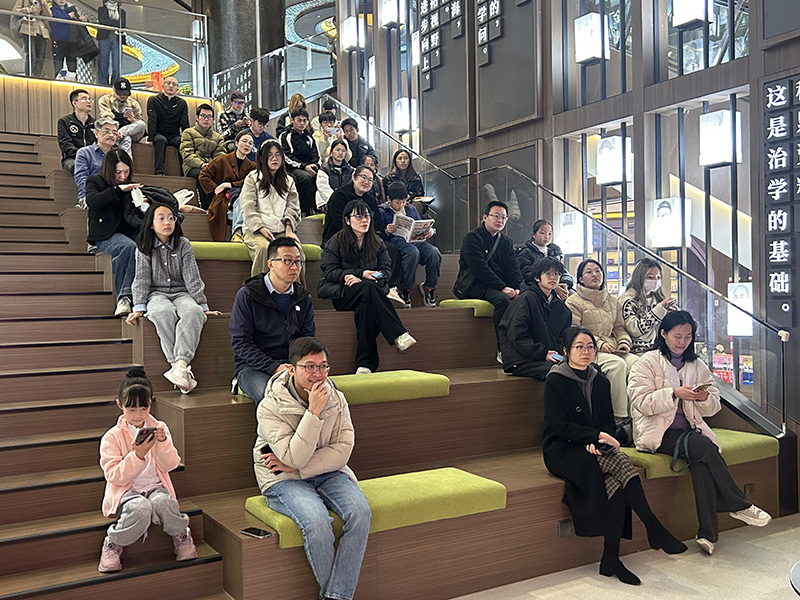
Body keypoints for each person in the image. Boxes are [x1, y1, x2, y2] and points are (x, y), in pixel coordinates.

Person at [542, 326, 686, 586]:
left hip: (595, 446)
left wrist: (600, 439)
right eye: (579, 347)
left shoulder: (600, 380)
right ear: (566, 351)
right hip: (563, 449)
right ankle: (652, 526)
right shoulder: (555, 380)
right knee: (620, 460)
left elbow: (608, 422)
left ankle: (611, 557)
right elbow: (559, 426)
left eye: (590, 347)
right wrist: (593, 437)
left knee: (616, 485)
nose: (586, 352)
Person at [628, 310, 772, 555]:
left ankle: (708, 534)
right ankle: (738, 504)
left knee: (701, 462)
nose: (682, 341)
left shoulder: (697, 364)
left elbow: (713, 406)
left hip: (690, 430)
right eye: (677, 336)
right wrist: (673, 393)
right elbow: (641, 402)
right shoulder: (646, 362)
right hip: (658, 433)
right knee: (704, 447)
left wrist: (703, 398)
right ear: (663, 334)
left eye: (688, 336)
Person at [253, 337, 371, 600]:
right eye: (309, 367)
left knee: (361, 513)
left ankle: (335, 596)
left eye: (323, 366)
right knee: (317, 523)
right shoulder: (270, 406)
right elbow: (293, 457)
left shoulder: (337, 398)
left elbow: (343, 449)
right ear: (291, 369)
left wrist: (296, 467)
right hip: (281, 478)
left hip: (325, 472)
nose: (318, 374)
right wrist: (313, 413)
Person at [98, 368, 197, 572]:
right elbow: (113, 476)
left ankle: (181, 535)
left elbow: (171, 465)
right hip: (126, 492)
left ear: (151, 403)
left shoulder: (160, 427)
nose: (138, 415)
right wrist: (138, 455)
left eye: (144, 408)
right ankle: (113, 543)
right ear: (120, 405)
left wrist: (163, 442)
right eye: (131, 409)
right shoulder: (111, 437)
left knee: (164, 502)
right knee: (140, 507)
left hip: (155, 488)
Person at [127, 203, 221, 393]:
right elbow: (141, 279)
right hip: (156, 293)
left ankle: (179, 366)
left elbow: (192, 277)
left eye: (171, 218)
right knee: (162, 312)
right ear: (151, 223)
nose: (167, 222)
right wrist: (139, 307)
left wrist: (202, 305)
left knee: (193, 312)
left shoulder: (183, 244)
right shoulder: (143, 246)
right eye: (161, 218)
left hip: (182, 292)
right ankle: (180, 368)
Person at [318, 200, 416, 374]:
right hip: (343, 293)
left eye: (367, 216)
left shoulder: (376, 242)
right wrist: (356, 274)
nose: (364, 220)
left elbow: (386, 272)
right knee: (368, 289)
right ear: (347, 220)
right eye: (358, 216)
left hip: (369, 293)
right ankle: (398, 333)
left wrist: (373, 277)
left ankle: (365, 365)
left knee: (365, 308)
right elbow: (329, 271)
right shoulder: (336, 241)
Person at [229, 237, 315, 403]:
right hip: (253, 368)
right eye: (287, 261)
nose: (294, 267)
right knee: (272, 397)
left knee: (326, 390)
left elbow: (307, 340)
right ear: (270, 263)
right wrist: (274, 367)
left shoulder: (303, 297)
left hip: (292, 365)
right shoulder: (248, 294)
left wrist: (301, 366)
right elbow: (241, 342)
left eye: (298, 262)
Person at [566, 259, 637, 420]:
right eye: (589, 272)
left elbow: (619, 328)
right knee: (617, 365)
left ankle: (637, 414)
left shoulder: (612, 301)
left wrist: (623, 342)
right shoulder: (573, 302)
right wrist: (598, 344)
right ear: (580, 279)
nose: (595, 275)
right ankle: (619, 417)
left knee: (638, 363)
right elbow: (574, 331)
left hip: (612, 348)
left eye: (598, 271)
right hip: (587, 350)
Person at [454, 200, 523, 360]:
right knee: (502, 300)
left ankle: (523, 348)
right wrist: (502, 288)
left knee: (524, 298)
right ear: (485, 217)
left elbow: (512, 267)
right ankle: (503, 350)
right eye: (496, 216)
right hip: (475, 284)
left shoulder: (505, 241)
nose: (500, 220)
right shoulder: (472, 238)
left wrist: (518, 287)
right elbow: (479, 269)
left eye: (503, 217)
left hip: (497, 286)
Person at [85, 148, 143, 316]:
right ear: (109, 170)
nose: (123, 176)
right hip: (105, 234)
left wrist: (141, 204)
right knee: (128, 247)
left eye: (126, 171)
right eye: (118, 172)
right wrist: (118, 190)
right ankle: (124, 296)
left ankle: (147, 293)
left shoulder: (131, 185)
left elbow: (132, 216)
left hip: (128, 230)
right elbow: (93, 202)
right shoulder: (95, 181)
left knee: (149, 242)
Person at [498, 258, 572, 380]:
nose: (552, 277)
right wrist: (543, 353)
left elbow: (562, 338)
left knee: (589, 369)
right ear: (537, 277)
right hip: (522, 359)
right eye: (548, 273)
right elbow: (517, 336)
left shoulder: (561, 308)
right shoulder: (525, 299)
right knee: (561, 372)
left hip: (549, 358)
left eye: (556, 274)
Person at [240, 140, 302, 277]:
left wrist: (289, 229)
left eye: (278, 155)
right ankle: (259, 288)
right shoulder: (252, 178)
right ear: (262, 158)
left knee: (296, 251)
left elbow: (293, 207)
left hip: (281, 229)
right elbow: (248, 208)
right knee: (264, 249)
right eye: (270, 155)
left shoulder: (289, 180)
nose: (274, 159)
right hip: (257, 230)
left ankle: (296, 289)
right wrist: (261, 228)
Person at [378, 181, 441, 308]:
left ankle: (429, 287)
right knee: (412, 252)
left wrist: (429, 231)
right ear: (389, 199)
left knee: (434, 252)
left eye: (404, 202)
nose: (401, 205)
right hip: (396, 241)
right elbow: (377, 233)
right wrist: (386, 230)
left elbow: (419, 224)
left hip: (414, 240)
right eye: (397, 202)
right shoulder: (382, 210)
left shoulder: (410, 208)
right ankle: (405, 288)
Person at [198, 130, 256, 241]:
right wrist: (215, 189)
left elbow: (252, 181)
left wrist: (229, 184)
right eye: (244, 141)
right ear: (236, 143)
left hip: (243, 196)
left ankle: (238, 233)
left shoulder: (252, 166)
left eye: (250, 143)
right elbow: (204, 175)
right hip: (223, 198)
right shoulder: (222, 159)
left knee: (243, 202)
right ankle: (237, 233)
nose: (247, 145)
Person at [619, 258, 679, 355]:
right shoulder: (628, 300)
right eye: (650, 277)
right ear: (639, 277)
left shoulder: (657, 298)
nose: (655, 281)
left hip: (659, 348)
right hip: (637, 350)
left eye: (658, 277)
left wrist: (671, 315)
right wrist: (659, 310)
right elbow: (635, 330)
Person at [180, 103, 226, 209]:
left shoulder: (218, 137)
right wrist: (201, 164)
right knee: (203, 175)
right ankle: (207, 207)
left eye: (209, 117)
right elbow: (187, 154)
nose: (206, 119)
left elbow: (220, 155)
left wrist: (213, 166)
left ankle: (222, 207)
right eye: (203, 116)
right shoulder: (188, 133)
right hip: (193, 167)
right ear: (197, 117)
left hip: (212, 167)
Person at [516, 218, 574, 298]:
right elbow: (527, 275)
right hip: (536, 287)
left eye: (550, 234)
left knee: (572, 296)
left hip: (556, 284)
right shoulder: (525, 253)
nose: (547, 237)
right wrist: (553, 286)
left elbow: (563, 271)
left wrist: (565, 284)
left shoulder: (555, 251)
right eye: (542, 233)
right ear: (533, 235)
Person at [321, 165, 380, 243]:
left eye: (370, 180)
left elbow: (377, 220)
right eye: (363, 177)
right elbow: (339, 222)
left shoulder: (369, 199)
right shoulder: (339, 196)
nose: (366, 182)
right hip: (338, 239)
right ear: (353, 177)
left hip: (364, 239)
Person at [279, 108, 320, 215]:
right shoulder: (285, 136)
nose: (302, 123)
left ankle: (317, 207)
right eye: (299, 120)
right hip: (292, 168)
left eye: (304, 121)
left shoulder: (309, 137)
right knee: (305, 177)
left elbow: (315, 154)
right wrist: (303, 166)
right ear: (292, 120)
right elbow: (286, 156)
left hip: (308, 166)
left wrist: (314, 165)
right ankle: (302, 210)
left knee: (323, 174)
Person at [147, 76, 189, 175]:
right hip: (159, 133)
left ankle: (185, 172)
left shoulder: (182, 103)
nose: (171, 86)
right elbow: (152, 120)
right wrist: (150, 138)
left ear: (177, 88)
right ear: (163, 85)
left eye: (174, 84)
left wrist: (188, 139)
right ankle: (159, 172)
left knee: (182, 142)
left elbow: (184, 123)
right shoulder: (153, 100)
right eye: (168, 83)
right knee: (161, 140)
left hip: (174, 135)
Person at [74, 117, 118, 207]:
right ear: (97, 133)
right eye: (107, 131)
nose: (111, 135)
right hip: (90, 196)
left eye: (114, 133)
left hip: (112, 195)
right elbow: (81, 178)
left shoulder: (117, 155)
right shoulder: (84, 152)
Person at [98, 77, 146, 157]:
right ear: (114, 89)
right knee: (127, 138)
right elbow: (107, 118)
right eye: (120, 93)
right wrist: (115, 131)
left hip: (130, 131)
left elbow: (139, 123)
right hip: (112, 131)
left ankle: (120, 133)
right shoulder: (105, 100)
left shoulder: (134, 103)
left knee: (141, 124)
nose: (123, 96)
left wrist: (132, 120)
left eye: (125, 94)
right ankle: (126, 162)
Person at [57, 88, 95, 174]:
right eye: (85, 99)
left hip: (93, 158)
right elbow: (65, 145)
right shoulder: (64, 121)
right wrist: (82, 156)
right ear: (74, 103)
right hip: (72, 158)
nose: (89, 102)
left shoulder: (96, 123)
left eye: (90, 99)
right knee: (79, 166)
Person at [13, 0, 51, 79]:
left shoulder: (43, 1)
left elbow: (48, 15)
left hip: (41, 31)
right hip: (28, 29)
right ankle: (28, 76)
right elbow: (15, 11)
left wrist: (43, 4)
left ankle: (36, 77)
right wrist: (28, 10)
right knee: (31, 55)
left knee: (40, 57)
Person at [50, 0, 87, 81]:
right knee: (57, 67)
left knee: (72, 68)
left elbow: (76, 22)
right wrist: (67, 16)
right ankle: (56, 85)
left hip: (71, 42)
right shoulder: (51, 10)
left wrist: (81, 19)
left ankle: (73, 85)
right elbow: (54, 20)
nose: (61, 0)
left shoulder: (71, 10)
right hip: (58, 41)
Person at [315, 138, 353, 212]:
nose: (340, 153)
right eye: (337, 150)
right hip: (326, 202)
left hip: (346, 203)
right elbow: (323, 189)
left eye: (343, 151)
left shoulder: (350, 171)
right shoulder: (324, 169)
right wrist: (336, 201)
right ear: (331, 152)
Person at [96, 0, 126, 86]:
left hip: (117, 39)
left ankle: (115, 84)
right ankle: (103, 84)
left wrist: (110, 21)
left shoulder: (122, 12)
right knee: (103, 62)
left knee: (117, 63)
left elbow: (122, 25)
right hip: (104, 38)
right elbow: (103, 21)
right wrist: (115, 22)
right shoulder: (101, 9)